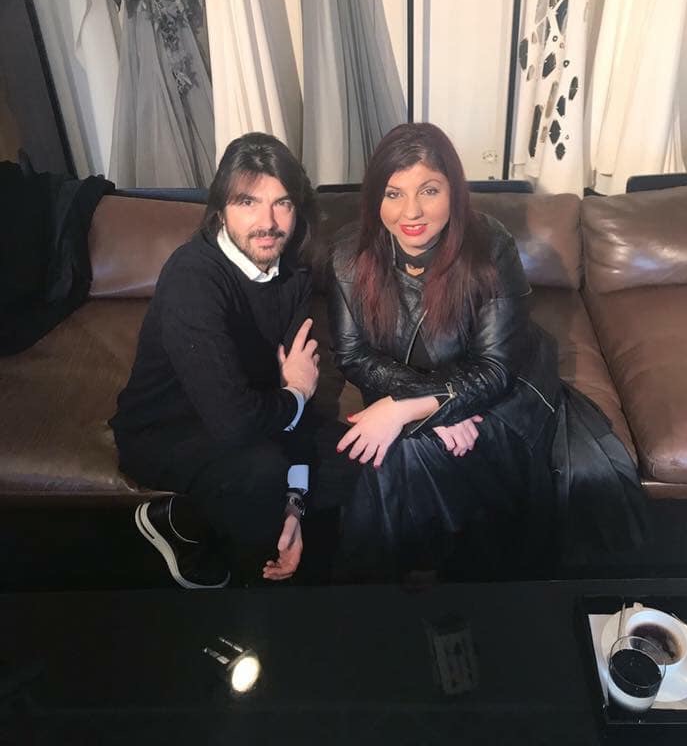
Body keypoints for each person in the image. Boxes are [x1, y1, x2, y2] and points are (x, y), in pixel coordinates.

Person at [327, 123, 647, 580]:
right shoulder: (348, 253)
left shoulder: (490, 245)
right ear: (375, 197)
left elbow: (495, 369)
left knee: (404, 452)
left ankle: (400, 583)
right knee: (393, 453)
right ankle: (415, 579)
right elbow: (353, 356)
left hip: (506, 395)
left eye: (429, 190)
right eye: (393, 194)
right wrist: (434, 406)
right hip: (430, 390)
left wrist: (407, 409)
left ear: (454, 193)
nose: (411, 211)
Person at [111, 133, 320, 588]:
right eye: (248, 202)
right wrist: (296, 393)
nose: (268, 222)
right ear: (221, 210)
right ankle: (239, 584)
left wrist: (296, 502)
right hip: (164, 431)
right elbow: (246, 418)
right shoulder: (193, 277)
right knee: (262, 470)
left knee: (348, 458)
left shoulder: (294, 277)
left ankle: (188, 520)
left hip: (250, 412)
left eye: (282, 203)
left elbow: (295, 403)